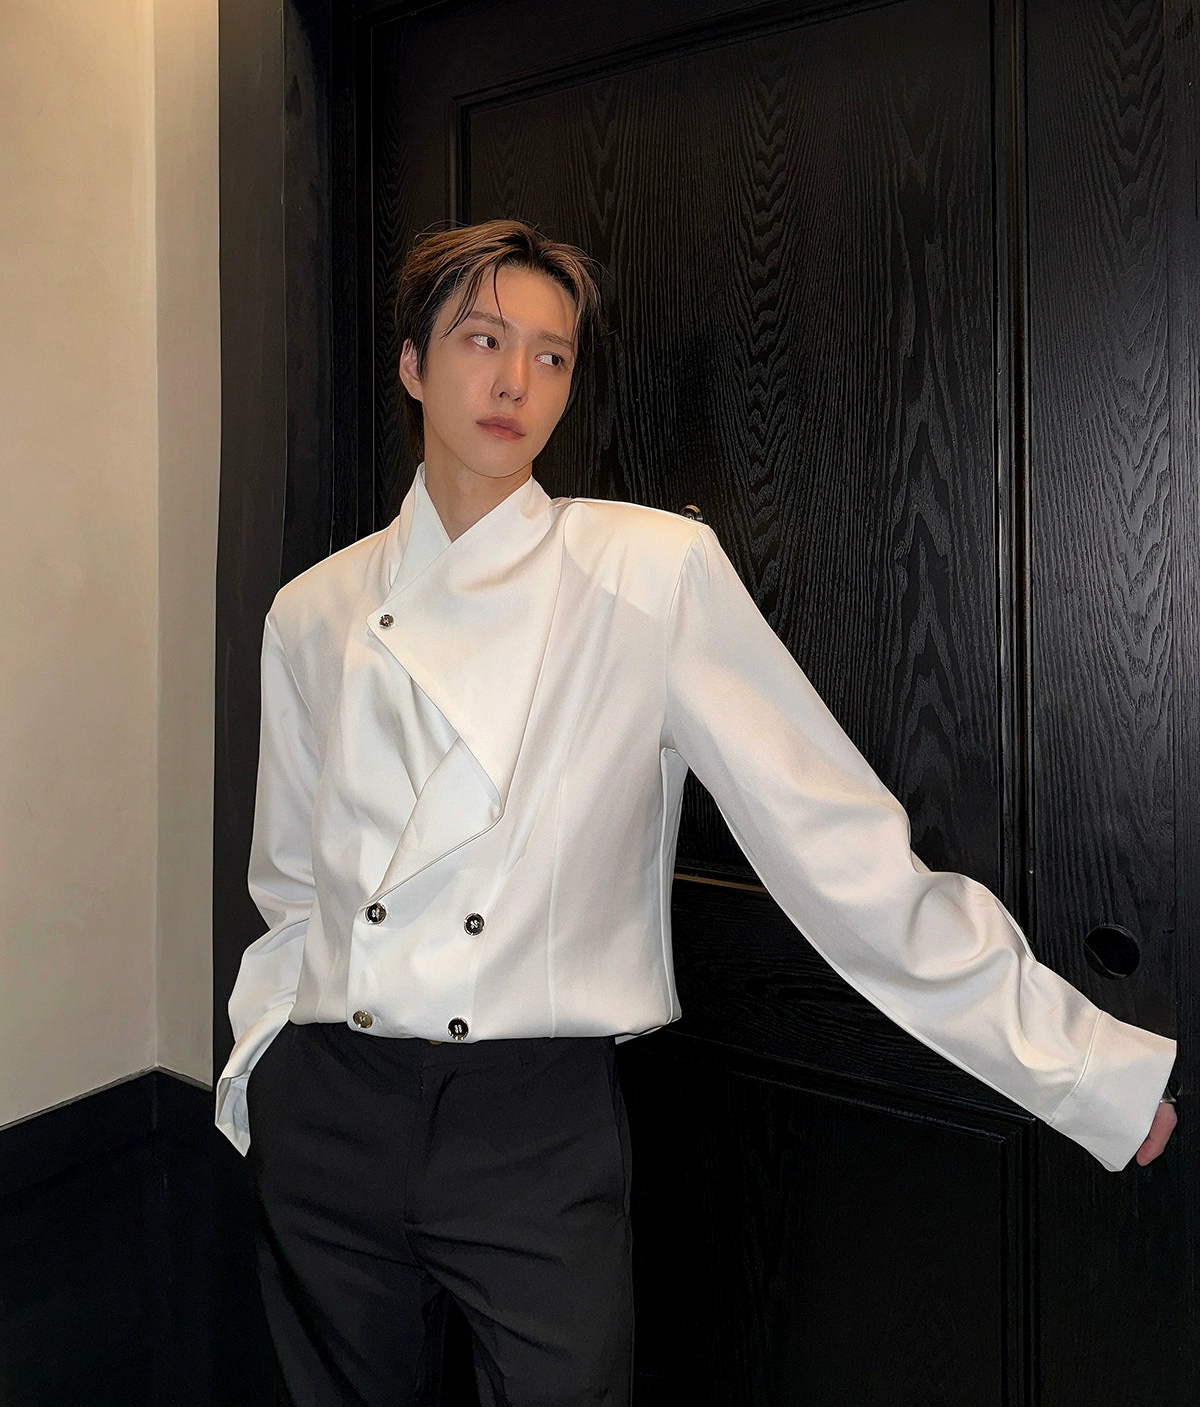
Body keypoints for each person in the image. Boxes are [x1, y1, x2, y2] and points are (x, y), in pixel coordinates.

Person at [216, 220, 1177, 1407]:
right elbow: (289, 888)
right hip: (330, 1111)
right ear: (413, 365)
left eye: (552, 355)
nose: (517, 381)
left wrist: (1080, 1065)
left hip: (531, 1124)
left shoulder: (648, 570)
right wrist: (263, 1070)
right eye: (482, 340)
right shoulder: (313, 609)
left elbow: (838, 845)